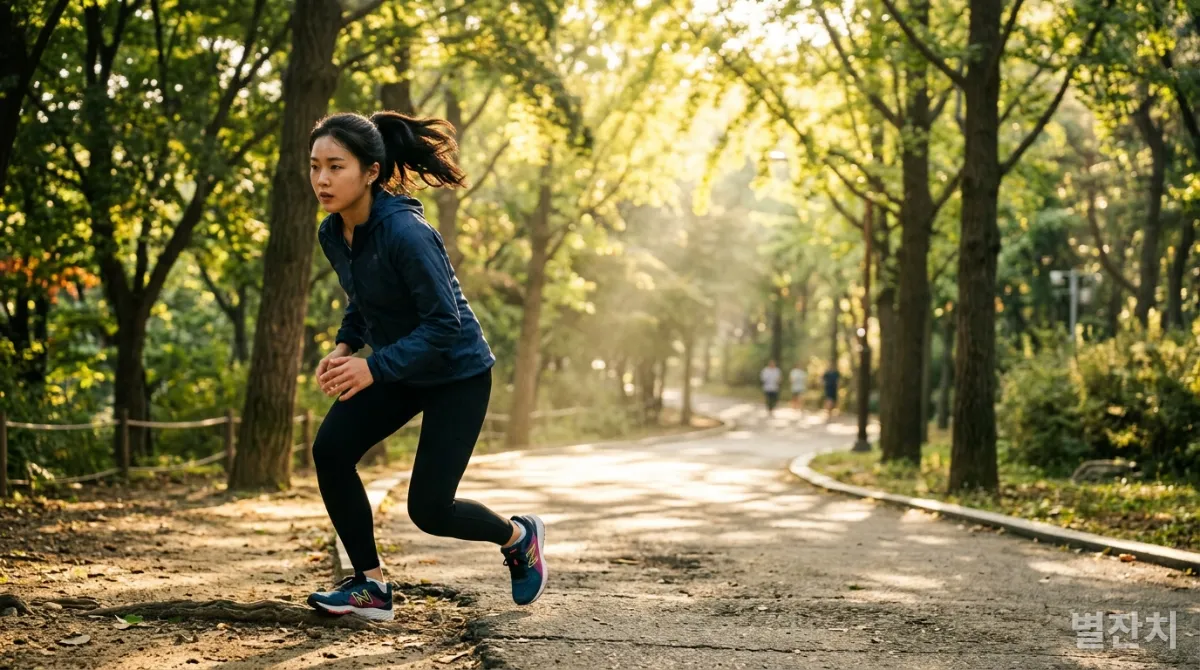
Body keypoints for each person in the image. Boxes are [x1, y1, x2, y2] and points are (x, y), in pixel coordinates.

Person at [304, 111, 546, 621]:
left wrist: (373, 368)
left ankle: (519, 538)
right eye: (315, 167)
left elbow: (446, 326)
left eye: (336, 166)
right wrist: (347, 345)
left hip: (457, 372)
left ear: (370, 171)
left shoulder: (407, 233)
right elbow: (363, 299)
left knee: (430, 511)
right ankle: (370, 588)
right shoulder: (334, 232)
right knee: (331, 449)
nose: (322, 180)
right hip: (400, 367)